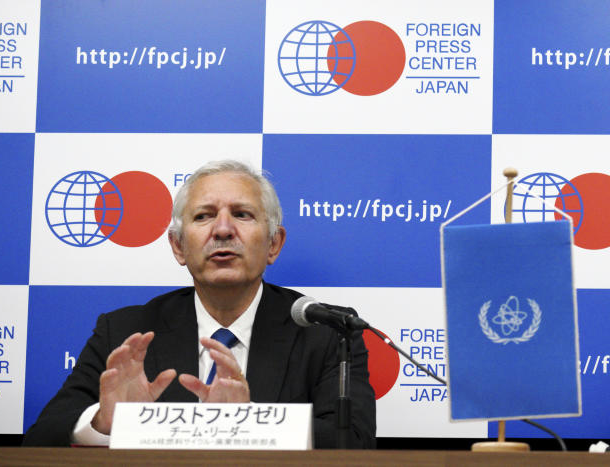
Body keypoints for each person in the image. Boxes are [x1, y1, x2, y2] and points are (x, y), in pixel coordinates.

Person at [24, 160, 376, 448]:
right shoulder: (126, 331)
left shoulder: (326, 333)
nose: (223, 230)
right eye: (204, 216)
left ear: (274, 244)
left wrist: (250, 423)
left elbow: (355, 443)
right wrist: (106, 422)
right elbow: (41, 439)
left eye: (242, 214)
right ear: (178, 246)